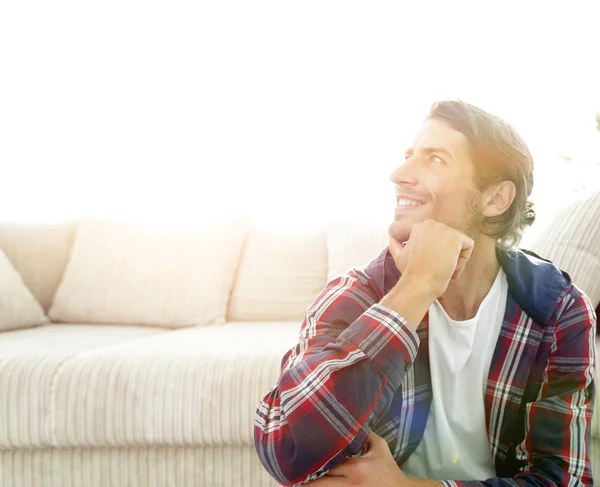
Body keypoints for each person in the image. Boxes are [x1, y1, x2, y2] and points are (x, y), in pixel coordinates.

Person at [254, 100, 596, 486]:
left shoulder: (558, 310)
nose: (399, 174)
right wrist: (417, 287)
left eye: (435, 160)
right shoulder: (357, 294)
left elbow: (562, 479)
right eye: (407, 156)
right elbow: (287, 451)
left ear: (495, 198)